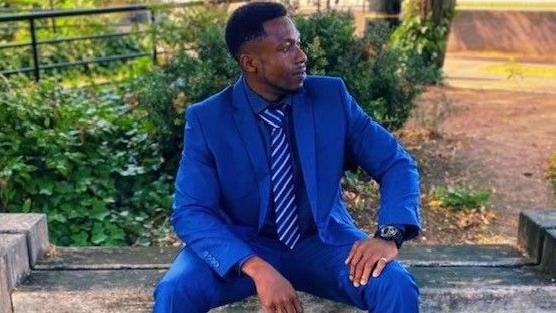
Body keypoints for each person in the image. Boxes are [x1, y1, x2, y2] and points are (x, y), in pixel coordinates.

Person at [153, 2, 421, 313]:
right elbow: (191, 211)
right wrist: (256, 267)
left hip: (322, 242)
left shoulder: (331, 99)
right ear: (250, 62)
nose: (301, 55)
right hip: (242, 245)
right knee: (175, 292)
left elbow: (395, 163)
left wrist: (389, 235)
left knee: (395, 285)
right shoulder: (209, 120)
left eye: (298, 43)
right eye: (286, 47)